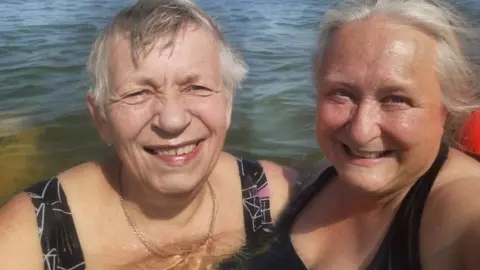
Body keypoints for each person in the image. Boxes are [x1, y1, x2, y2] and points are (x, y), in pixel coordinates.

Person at [0, 0, 294, 269]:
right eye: (138, 93)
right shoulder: (33, 236)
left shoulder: (268, 197)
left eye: (196, 87)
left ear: (227, 104)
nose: (172, 120)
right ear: (101, 118)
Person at [246, 0, 480, 269]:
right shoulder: (320, 176)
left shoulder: (459, 208)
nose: (360, 131)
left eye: (396, 99)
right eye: (341, 94)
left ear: (446, 110)